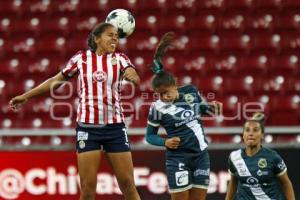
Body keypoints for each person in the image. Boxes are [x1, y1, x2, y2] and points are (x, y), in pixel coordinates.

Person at [9, 22, 141, 200]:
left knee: (127, 184)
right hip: (88, 129)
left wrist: (133, 76)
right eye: (110, 35)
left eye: (116, 36)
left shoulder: (121, 58)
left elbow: (134, 74)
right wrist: (27, 96)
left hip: (115, 128)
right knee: (87, 188)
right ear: (97, 38)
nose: (115, 38)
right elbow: (55, 81)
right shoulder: (81, 58)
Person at [145, 32, 222, 200]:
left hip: (201, 155)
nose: (164, 97)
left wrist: (212, 108)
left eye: (167, 92)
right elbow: (149, 136)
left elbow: (202, 110)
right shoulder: (157, 108)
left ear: (175, 85)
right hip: (178, 158)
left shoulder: (190, 91)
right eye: (160, 94)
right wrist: (165, 142)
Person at [225, 112, 295, 200]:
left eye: (255, 130)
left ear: (262, 135)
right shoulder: (234, 157)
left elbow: (286, 183)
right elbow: (233, 183)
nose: (251, 133)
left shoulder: (272, 157)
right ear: (243, 135)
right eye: (247, 130)